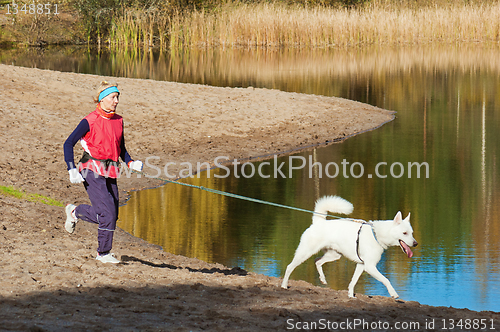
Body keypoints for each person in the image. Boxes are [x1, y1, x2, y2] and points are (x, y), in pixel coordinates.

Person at [63, 81, 143, 264]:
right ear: (102, 99)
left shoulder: (118, 121)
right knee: (108, 215)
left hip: (111, 171)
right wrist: (71, 169)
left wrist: (130, 162)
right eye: (113, 97)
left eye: (117, 97)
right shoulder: (89, 120)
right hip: (90, 169)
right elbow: (68, 143)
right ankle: (103, 253)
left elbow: (120, 148)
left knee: (111, 215)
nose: (116, 101)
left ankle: (75, 212)